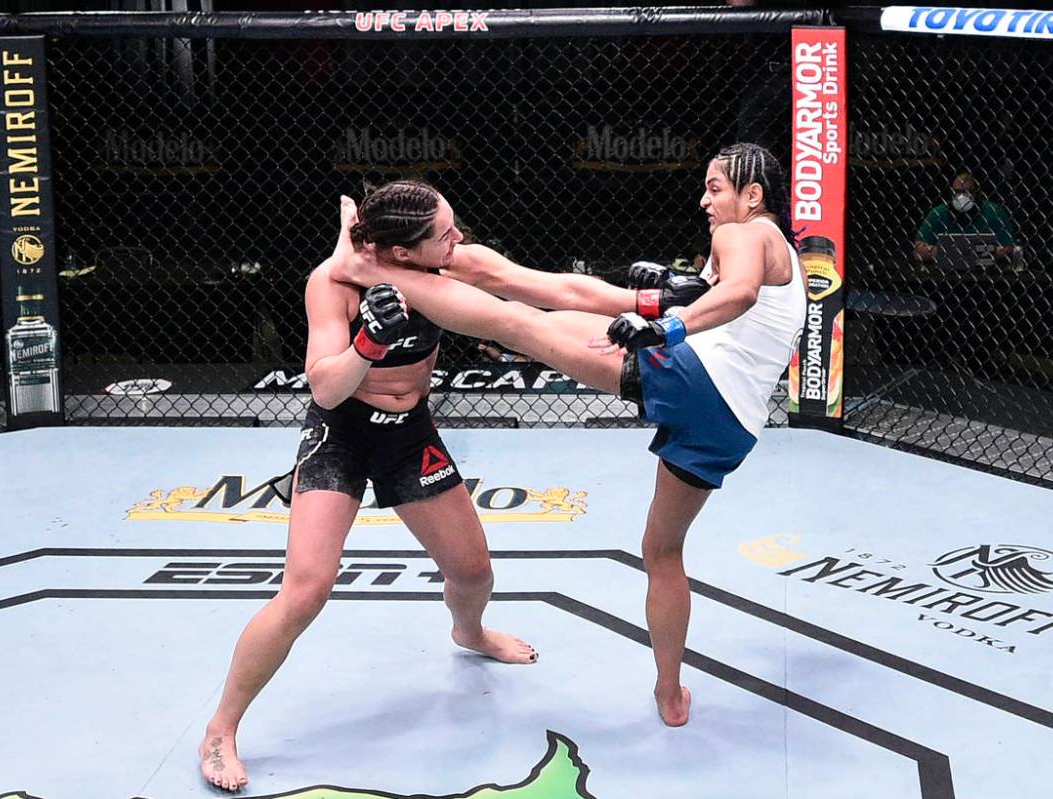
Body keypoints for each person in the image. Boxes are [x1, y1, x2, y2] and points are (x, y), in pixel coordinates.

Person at [197, 179, 709, 792]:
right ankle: (221, 729)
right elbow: (326, 387)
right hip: (343, 435)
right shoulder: (331, 284)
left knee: (473, 574)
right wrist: (367, 342)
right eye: (444, 234)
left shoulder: (455, 265)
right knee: (306, 590)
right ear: (405, 251)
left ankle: (468, 631)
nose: (458, 237)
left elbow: (553, 289)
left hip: (409, 435)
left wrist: (646, 298)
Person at [331, 143, 806, 729]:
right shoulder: (780, 245)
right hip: (730, 425)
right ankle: (669, 693)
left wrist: (663, 329)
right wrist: (668, 302)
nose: (705, 200)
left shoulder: (745, 233)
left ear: (752, 194)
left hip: (695, 378)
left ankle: (370, 264)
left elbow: (739, 294)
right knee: (661, 551)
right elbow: (733, 302)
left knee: (527, 322)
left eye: (715, 188)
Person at [913, 170, 1017, 265]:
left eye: (968, 192)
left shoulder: (994, 211)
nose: (962, 197)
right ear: (951, 193)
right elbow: (918, 250)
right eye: (957, 192)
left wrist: (948, 251)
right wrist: (981, 251)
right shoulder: (938, 213)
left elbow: (1010, 248)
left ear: (977, 193)